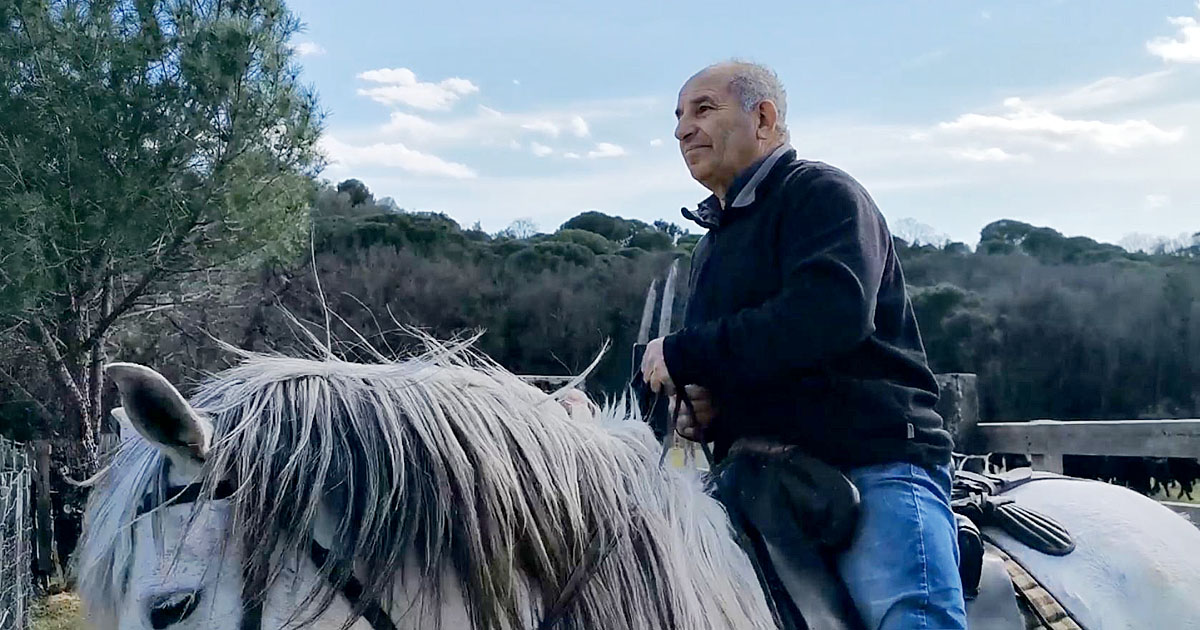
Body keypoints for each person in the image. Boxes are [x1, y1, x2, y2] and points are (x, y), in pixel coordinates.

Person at [639, 60, 967, 630]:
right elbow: (745, 360)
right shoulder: (712, 247)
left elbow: (829, 317)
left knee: (913, 619)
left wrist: (683, 352)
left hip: (873, 457)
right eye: (678, 117)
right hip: (758, 479)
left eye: (703, 109)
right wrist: (707, 410)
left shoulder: (822, 194)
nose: (681, 130)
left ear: (763, 118)